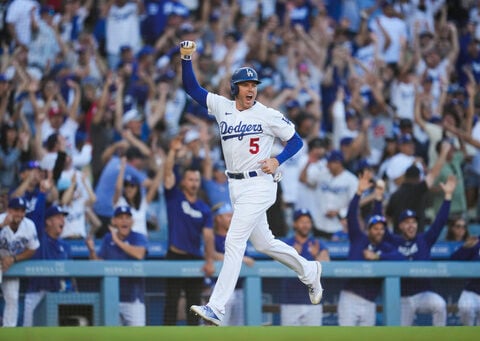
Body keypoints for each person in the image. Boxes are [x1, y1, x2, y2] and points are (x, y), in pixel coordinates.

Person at [179, 40, 323, 326]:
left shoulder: (267, 114)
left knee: (234, 240)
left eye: (253, 84)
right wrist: (186, 58)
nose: (250, 89)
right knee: (265, 243)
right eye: (245, 85)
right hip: (236, 186)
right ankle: (309, 270)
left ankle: (216, 308)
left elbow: (295, 141)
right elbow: (192, 89)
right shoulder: (222, 107)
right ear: (235, 88)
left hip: (260, 184)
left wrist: (278, 160)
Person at [383, 175, 457, 326]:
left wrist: (448, 196)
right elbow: (380, 227)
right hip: (402, 297)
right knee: (400, 334)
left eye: (414, 222)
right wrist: (378, 200)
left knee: (440, 305)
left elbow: (439, 222)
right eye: (407, 223)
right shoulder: (394, 241)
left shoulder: (424, 239)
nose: (411, 225)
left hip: (423, 293)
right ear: (401, 226)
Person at [338, 172, 405, 326]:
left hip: (370, 302)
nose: (379, 231)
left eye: (382, 229)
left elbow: (401, 258)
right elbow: (351, 216)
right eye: (375, 228)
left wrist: (377, 257)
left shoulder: (385, 247)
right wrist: (359, 193)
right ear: (369, 230)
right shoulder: (359, 238)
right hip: (350, 297)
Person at [162, 136, 215, 326]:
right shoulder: (174, 197)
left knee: (194, 305)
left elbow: (208, 238)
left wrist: (209, 261)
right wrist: (172, 152)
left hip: (194, 257)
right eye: (190, 179)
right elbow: (167, 174)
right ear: (183, 182)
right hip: (174, 255)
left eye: (196, 180)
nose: (194, 183)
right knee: (171, 302)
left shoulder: (204, 208)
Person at [85, 205, 148, 326]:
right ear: (114, 221)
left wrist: (118, 241)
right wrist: (92, 251)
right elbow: (98, 264)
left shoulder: (138, 237)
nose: (124, 220)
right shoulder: (107, 239)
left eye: (127, 217)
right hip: (112, 298)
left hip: (133, 300)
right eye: (120, 218)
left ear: (132, 221)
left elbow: (140, 254)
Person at [23, 205, 72, 326]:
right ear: (48, 222)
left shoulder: (66, 246)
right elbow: (37, 218)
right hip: (35, 292)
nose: (62, 220)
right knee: (27, 330)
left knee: (55, 332)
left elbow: (70, 274)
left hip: (56, 294)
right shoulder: (40, 239)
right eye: (58, 217)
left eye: (63, 217)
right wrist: (42, 193)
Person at [280, 209, 330, 326]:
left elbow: (327, 265)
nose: (305, 225)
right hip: (290, 300)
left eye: (308, 222)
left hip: (313, 302)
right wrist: (293, 255)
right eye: (302, 221)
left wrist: (316, 255)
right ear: (295, 224)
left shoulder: (318, 244)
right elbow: (275, 267)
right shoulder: (286, 244)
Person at [211, 202, 255, 326]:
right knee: (219, 328)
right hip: (218, 289)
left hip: (240, 288)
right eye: (228, 216)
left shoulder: (239, 237)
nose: (232, 219)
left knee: (238, 329)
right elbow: (211, 255)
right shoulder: (212, 238)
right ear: (218, 219)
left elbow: (248, 260)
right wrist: (240, 259)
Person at [0, 197, 39, 327]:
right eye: (16, 210)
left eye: (22, 211)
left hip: (10, 264)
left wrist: (13, 259)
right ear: (8, 210)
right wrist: (2, 225)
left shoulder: (29, 225)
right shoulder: (1, 220)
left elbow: (32, 249)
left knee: (12, 298)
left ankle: (9, 333)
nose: (19, 214)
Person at [450, 235, 480, 326]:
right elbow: (453, 261)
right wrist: (465, 248)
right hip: (472, 290)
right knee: (465, 307)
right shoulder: (476, 242)